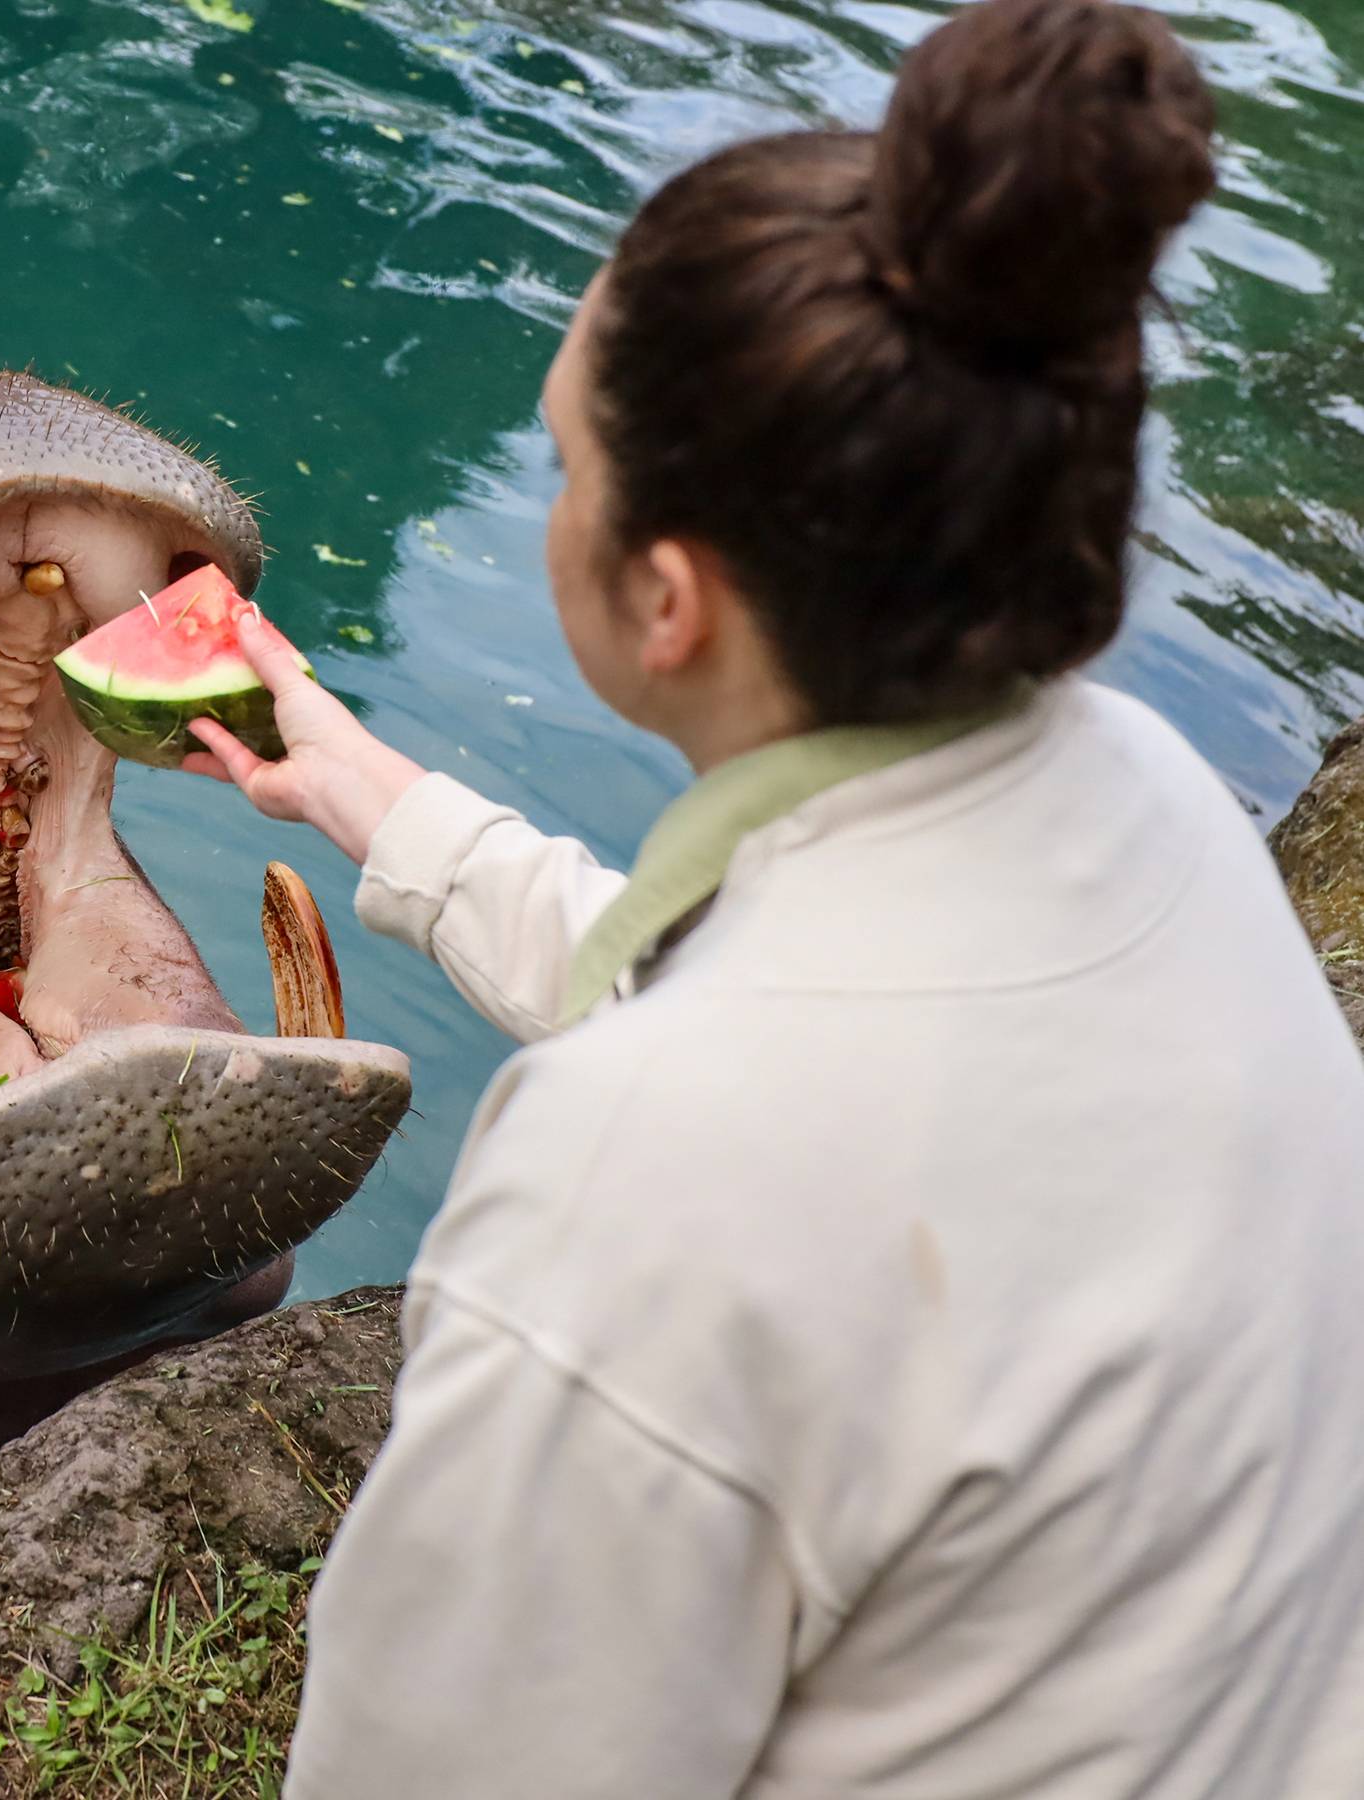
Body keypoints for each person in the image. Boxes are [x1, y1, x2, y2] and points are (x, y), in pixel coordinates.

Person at [182, 0, 1364, 1793]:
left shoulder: (630, 1195)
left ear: (668, 603)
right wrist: (368, 796)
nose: (554, 492)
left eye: (569, 465)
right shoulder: (1156, 811)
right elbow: (795, 1017)